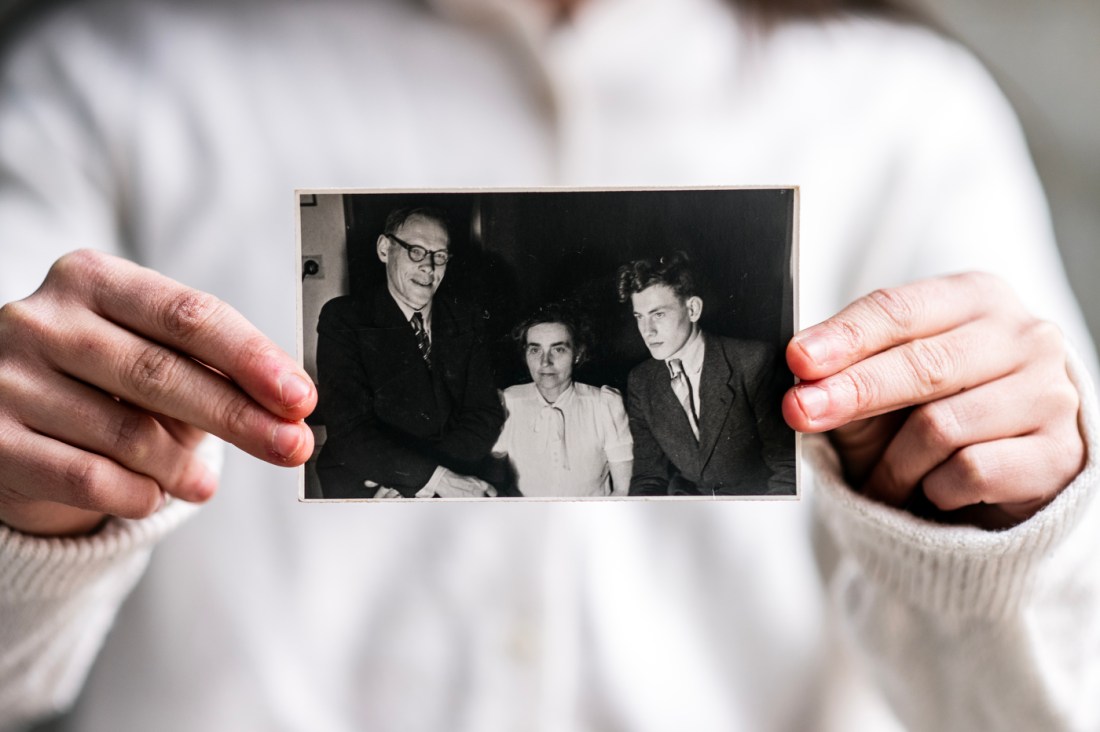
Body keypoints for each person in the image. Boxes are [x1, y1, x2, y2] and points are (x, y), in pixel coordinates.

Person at [0, 0, 1098, 730]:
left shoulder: (905, 117)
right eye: (410, 254)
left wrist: (1009, 534)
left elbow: (1053, 699)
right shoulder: (109, 83)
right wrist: (26, 512)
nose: (427, 272)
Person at [314, 206, 504, 499]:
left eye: (440, 256)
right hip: (366, 484)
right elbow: (349, 429)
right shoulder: (344, 318)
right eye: (416, 251)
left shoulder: (466, 318)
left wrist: (424, 481)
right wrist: (428, 478)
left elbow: (485, 413)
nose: (429, 266)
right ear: (384, 249)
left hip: (447, 476)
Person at [618, 252, 796, 496]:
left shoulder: (754, 362)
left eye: (658, 314)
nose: (647, 331)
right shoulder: (642, 381)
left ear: (693, 309)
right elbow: (649, 477)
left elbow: (790, 471)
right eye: (640, 317)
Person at [492, 303, 633, 497]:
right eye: (535, 350)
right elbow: (493, 480)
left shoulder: (604, 405)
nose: (545, 362)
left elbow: (622, 490)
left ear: (577, 354)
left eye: (558, 350)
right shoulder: (508, 402)